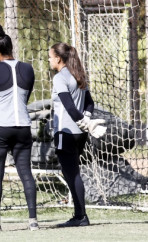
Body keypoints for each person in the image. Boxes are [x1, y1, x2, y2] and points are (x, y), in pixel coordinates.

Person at [0, 24, 39, 232]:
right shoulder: (28, 68)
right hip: (23, 127)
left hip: (0, 127)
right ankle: (33, 222)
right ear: (11, 47)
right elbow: (25, 96)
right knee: (26, 173)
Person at [48, 42, 106, 227]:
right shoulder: (78, 74)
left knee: (72, 173)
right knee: (73, 172)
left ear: (58, 58)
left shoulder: (60, 78)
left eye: (50, 57)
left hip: (65, 132)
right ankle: (79, 215)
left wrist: (83, 121)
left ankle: (81, 216)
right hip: (80, 134)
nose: (49, 60)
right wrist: (86, 121)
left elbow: (70, 107)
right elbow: (90, 103)